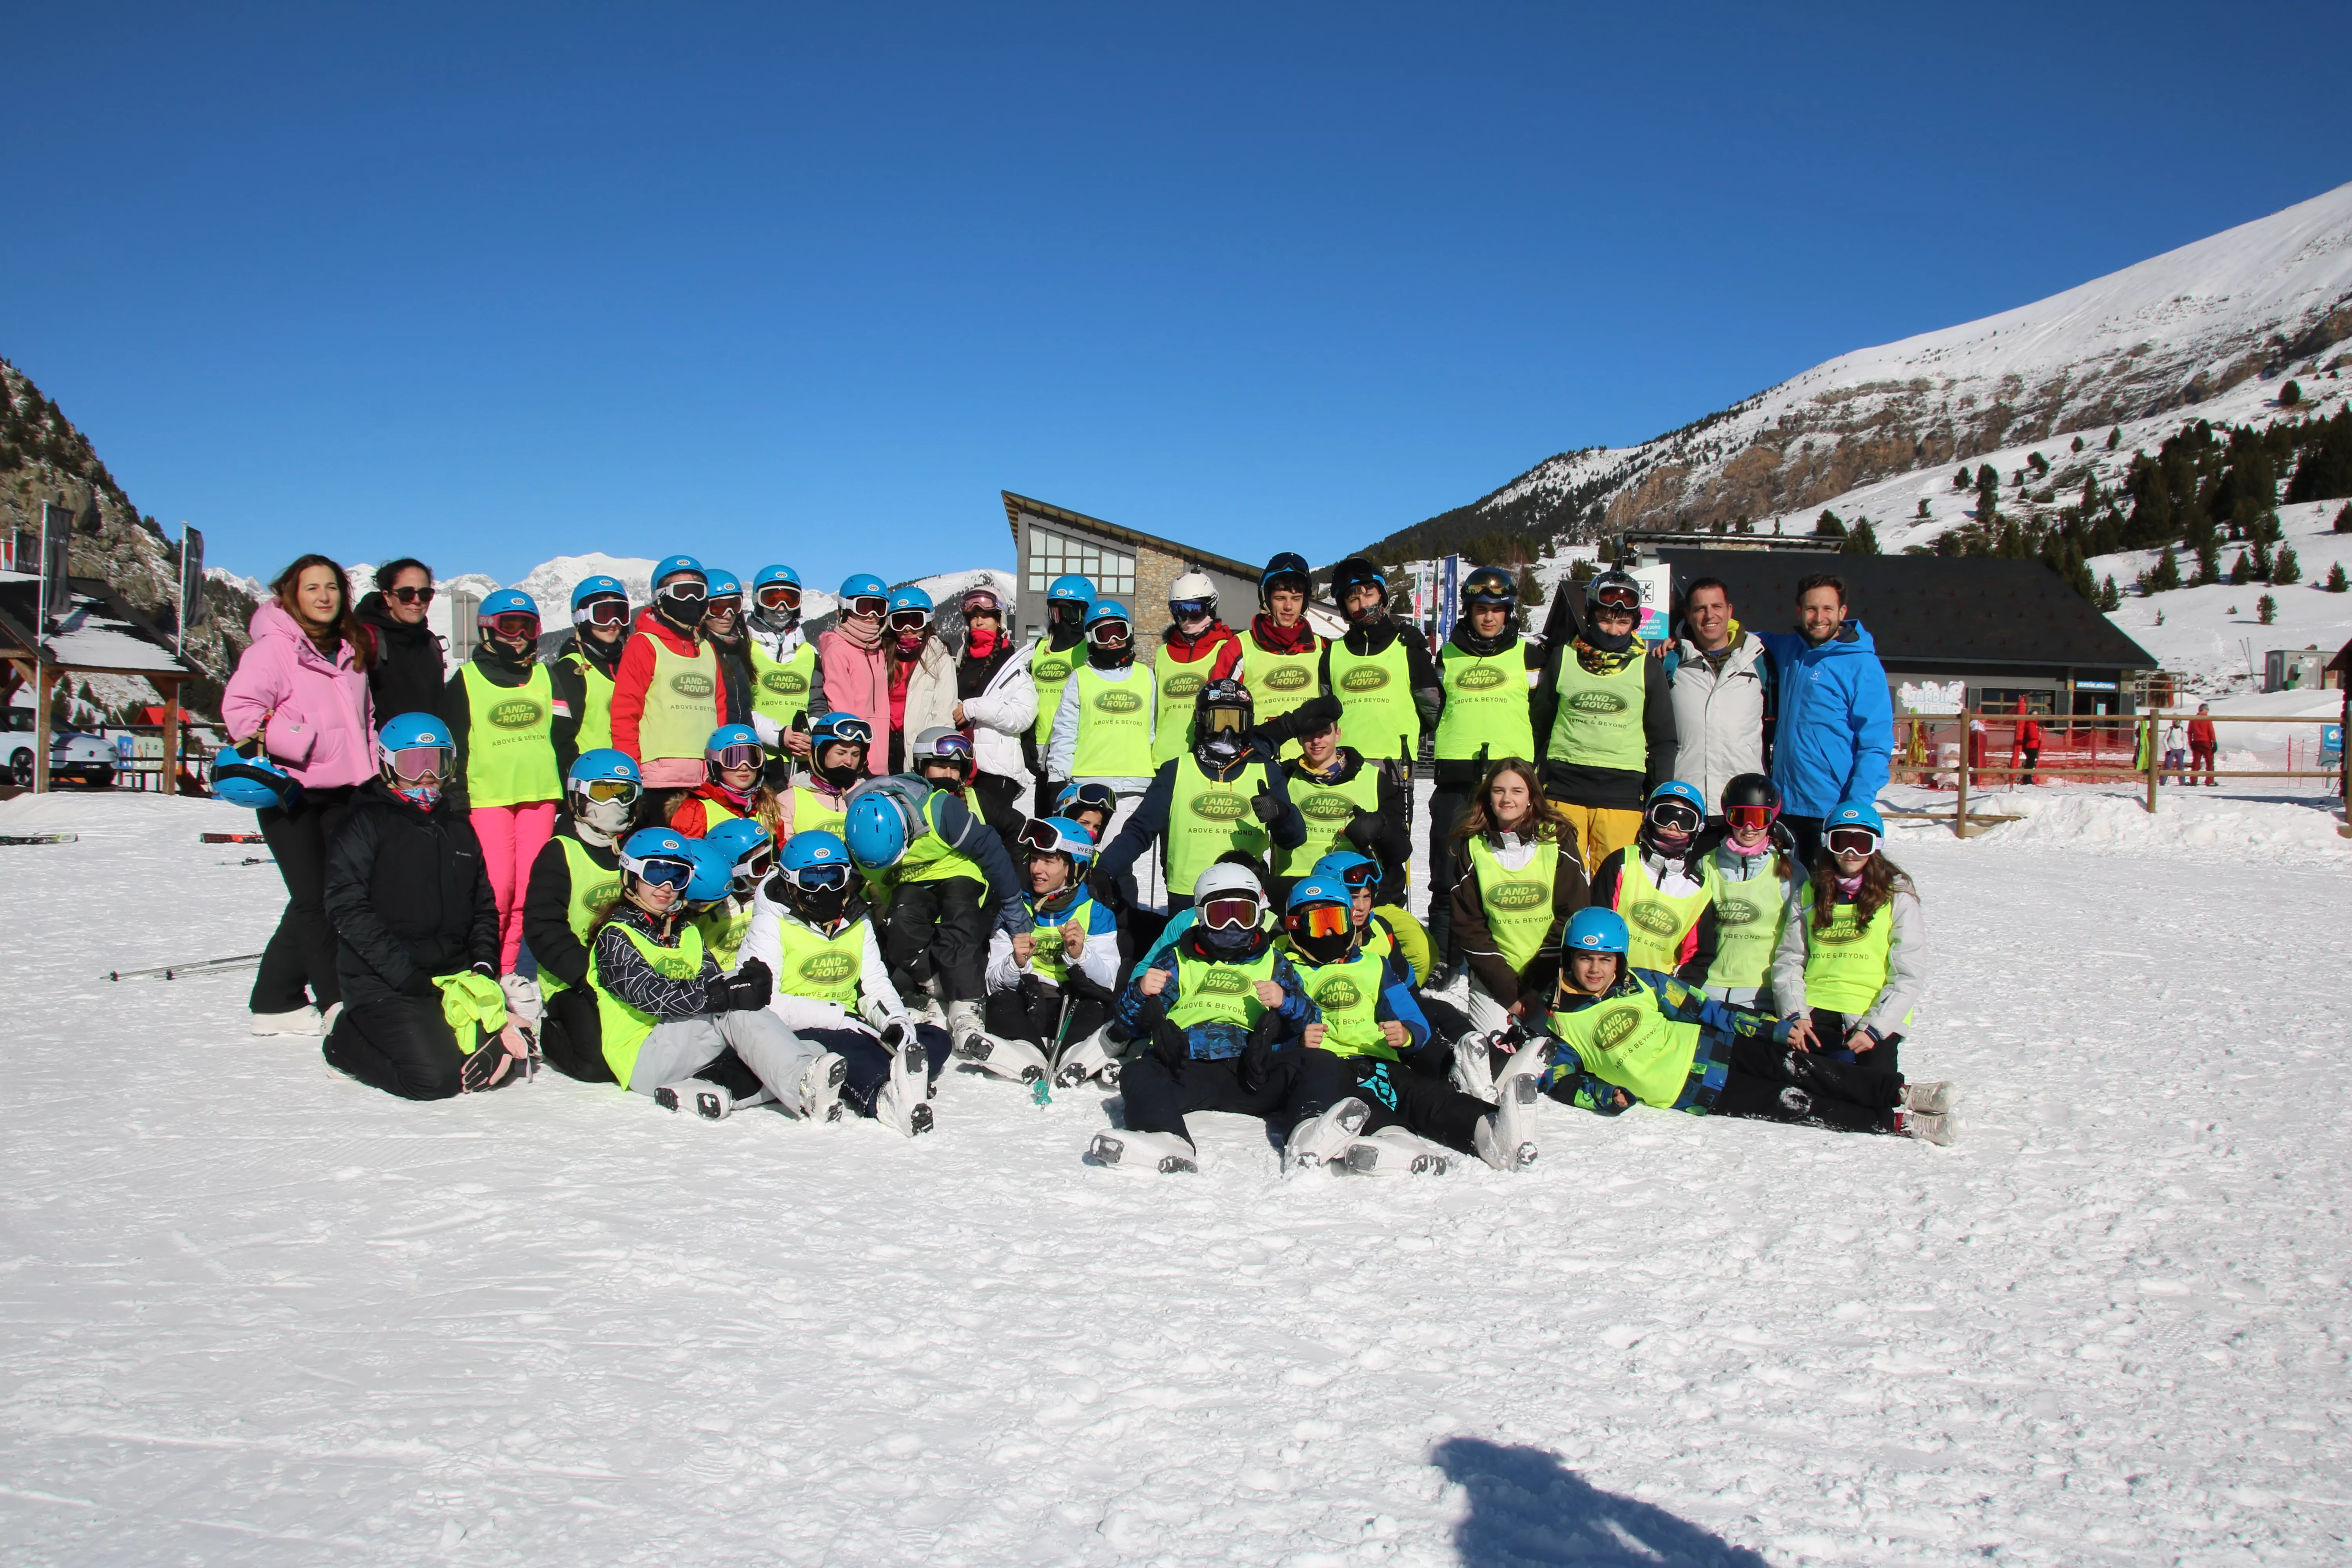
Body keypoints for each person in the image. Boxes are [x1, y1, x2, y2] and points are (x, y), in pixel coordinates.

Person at [1540, 908, 1956, 1144]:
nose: (1596, 969)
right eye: (1585, 958)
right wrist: (1601, 1096)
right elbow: (1560, 1079)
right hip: (1697, 1091)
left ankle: (1903, 1092)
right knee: (1796, 1103)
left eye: (1606, 959)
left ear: (1620, 960)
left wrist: (1773, 1029)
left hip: (1718, 1047)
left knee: (1810, 1070)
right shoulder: (1560, 1021)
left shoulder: (1643, 983)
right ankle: (1903, 1124)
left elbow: (1711, 1010)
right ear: (1570, 959)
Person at [1085, 863, 1358, 1175]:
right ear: (1202, 916)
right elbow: (1127, 1023)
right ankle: (1165, 1137)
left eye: (1242, 915)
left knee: (1321, 1062)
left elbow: (1311, 1020)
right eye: (1220, 915)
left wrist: (1286, 1003)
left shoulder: (1273, 962)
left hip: (1253, 1071)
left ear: (1258, 915)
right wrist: (1141, 993)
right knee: (1138, 1073)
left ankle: (1311, 1130)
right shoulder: (1177, 958)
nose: (1232, 925)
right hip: (1188, 1069)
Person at [320, 713, 527, 1099]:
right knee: (435, 1079)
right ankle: (343, 1042)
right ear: (388, 765)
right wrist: (403, 974)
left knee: (497, 1063)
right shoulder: (365, 822)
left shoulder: (458, 827)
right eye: (413, 765)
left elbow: (483, 906)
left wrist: (483, 965)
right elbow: (346, 906)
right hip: (386, 983)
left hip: (449, 980)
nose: (427, 776)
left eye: (438, 762)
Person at [1280, 877, 1541, 1173]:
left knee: (1427, 1096)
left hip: (1379, 1059)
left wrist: (1406, 1035)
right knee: (1358, 1104)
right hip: (1327, 1066)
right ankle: (1398, 1145)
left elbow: (1416, 1019)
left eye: (1336, 921)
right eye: (1317, 923)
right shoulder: (1286, 970)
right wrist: (1297, 1042)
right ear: (1296, 928)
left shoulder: (1375, 965)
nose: (1328, 933)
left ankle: (1488, 1129)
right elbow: (1268, 1035)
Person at [589, 826, 846, 1125]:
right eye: (656, 873)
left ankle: (713, 1087)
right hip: (643, 1059)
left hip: (682, 1048)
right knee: (735, 1009)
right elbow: (649, 995)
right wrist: (725, 994)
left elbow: (714, 982)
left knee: (807, 1047)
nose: (667, 886)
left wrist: (750, 983)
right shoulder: (615, 936)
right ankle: (803, 1087)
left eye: (679, 876)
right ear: (630, 874)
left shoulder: (685, 932)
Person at [221, 553, 378, 1036]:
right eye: (312, 588)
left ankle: (275, 999)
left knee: (327, 897)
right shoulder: (274, 649)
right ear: (291, 594)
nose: (324, 596)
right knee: (314, 900)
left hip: (347, 791)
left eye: (332, 587)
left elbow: (366, 719)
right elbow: (240, 711)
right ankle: (334, 1004)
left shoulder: (351, 650)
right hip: (291, 793)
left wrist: (372, 773)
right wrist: (303, 739)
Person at [738, 829, 934, 1136]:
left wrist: (895, 1022)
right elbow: (766, 1002)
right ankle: (885, 1099)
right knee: (848, 1045)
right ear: (790, 883)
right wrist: (837, 1017)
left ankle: (895, 1069)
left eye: (834, 877)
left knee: (933, 1039)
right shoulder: (771, 924)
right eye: (812, 880)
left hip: (849, 1021)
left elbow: (874, 983)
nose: (825, 888)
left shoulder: (857, 920)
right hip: (796, 1026)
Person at [842, 766, 1033, 1051]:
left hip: (957, 868)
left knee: (960, 916)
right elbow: (858, 889)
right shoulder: (860, 836)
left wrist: (1012, 904)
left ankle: (966, 1002)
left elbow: (990, 848)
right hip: (908, 881)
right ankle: (939, 989)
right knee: (902, 922)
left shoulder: (940, 810)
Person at [1094, 678, 1306, 920]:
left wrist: (1282, 814)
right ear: (1201, 721)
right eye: (1218, 721)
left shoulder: (1266, 772)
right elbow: (1140, 830)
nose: (1228, 732)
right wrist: (1105, 869)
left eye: (1237, 722)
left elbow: (1294, 839)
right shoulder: (1176, 771)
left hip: (1246, 899)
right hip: (1188, 900)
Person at [438, 587, 560, 978]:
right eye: (511, 626)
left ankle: (507, 970)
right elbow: (453, 742)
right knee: (497, 891)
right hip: (488, 797)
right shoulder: (466, 680)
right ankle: (483, 967)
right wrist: (455, 794)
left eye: (528, 627)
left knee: (528, 891)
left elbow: (565, 736)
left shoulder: (545, 676)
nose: (521, 636)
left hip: (539, 795)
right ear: (488, 630)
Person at [1428, 565, 1541, 988]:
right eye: (1480, 609)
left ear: (1509, 612)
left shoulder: (1531, 656)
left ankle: (1508, 954)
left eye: (1497, 609)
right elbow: (1435, 705)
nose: (1489, 617)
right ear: (1469, 611)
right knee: (1447, 869)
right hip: (1457, 776)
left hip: (1512, 780)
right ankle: (1444, 956)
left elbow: (1544, 712)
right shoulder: (1448, 654)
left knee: (1511, 869)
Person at [1530, 566, 1676, 873]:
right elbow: (1539, 724)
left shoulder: (1648, 668)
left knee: (1613, 884)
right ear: (1591, 616)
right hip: (1563, 790)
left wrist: (1657, 793)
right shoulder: (1562, 657)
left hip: (1621, 795)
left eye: (1623, 622)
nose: (1613, 630)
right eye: (1606, 619)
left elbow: (1663, 739)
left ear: (1634, 622)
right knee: (1559, 879)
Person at [1769, 801, 1926, 1080]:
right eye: (1841, 842)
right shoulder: (1810, 893)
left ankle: (1902, 1100)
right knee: (1805, 1083)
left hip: (1872, 1011)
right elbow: (1790, 960)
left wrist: (1877, 1028)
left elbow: (1908, 972)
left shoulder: (1897, 895)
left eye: (1861, 843)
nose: (1851, 853)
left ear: (1876, 845)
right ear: (1827, 843)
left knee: (1870, 1085)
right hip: (1818, 1009)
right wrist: (1796, 1015)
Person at [973, 815, 1123, 1087]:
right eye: (1034, 859)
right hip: (1030, 1003)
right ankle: (1028, 1057)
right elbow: (993, 982)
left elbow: (1108, 981)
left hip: (1073, 1005)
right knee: (1000, 1004)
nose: (1036, 869)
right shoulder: (1016, 912)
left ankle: (1076, 1058)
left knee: (1099, 1007)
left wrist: (1081, 955)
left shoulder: (1096, 914)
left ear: (1074, 868)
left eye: (1049, 861)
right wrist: (1015, 963)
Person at [1755, 573, 1892, 865]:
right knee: (1785, 898)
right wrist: (1682, 634)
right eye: (1811, 609)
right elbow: (1730, 637)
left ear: (1843, 612)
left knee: (1824, 900)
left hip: (1831, 809)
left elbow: (1876, 744)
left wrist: (1854, 806)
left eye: (1828, 609)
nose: (1819, 618)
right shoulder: (1789, 649)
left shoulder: (1862, 664)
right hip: (1785, 806)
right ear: (1799, 611)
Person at [1447, 757, 1588, 1039]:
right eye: (1499, 791)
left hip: (1552, 975)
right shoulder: (1473, 846)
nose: (1507, 799)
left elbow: (1573, 915)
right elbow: (1469, 927)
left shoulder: (1557, 840)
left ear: (1532, 798)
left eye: (1517, 791)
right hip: (1496, 977)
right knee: (1492, 1054)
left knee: (1548, 1054)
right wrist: (1511, 993)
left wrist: (1536, 986)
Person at [523, 749, 641, 1083]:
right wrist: (586, 975)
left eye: (625, 793)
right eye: (605, 792)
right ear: (580, 796)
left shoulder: (635, 851)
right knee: (596, 1065)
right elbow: (543, 928)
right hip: (572, 980)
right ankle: (549, 1032)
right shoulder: (560, 852)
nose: (616, 803)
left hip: (629, 973)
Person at [1319, 557, 1442, 840]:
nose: (1364, 604)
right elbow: (1325, 713)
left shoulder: (1407, 646)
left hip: (1395, 766)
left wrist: (1410, 732)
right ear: (1344, 608)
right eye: (1354, 599)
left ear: (1382, 597)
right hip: (1344, 766)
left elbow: (1435, 709)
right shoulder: (1333, 654)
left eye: (1369, 594)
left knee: (1391, 851)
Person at [1046, 599, 1160, 898]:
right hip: (1088, 784)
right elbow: (1065, 731)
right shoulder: (1080, 678)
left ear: (1130, 633)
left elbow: (1153, 731)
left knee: (1119, 863)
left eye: (1119, 632)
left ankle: (1123, 928)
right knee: (1079, 861)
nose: (1112, 641)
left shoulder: (1146, 677)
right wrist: (1058, 778)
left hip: (1134, 786)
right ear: (1090, 639)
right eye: (1103, 634)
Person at [611, 555, 731, 791]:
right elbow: (625, 712)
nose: (691, 600)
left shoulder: (707, 649)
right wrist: (630, 771)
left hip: (707, 777)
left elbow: (720, 711)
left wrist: (721, 766)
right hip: (659, 777)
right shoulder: (645, 644)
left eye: (698, 592)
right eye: (682, 591)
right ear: (661, 597)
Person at [1586, 780, 1718, 986]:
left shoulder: (1698, 889)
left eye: (1685, 821)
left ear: (1698, 829)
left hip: (1660, 993)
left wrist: (1672, 994)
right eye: (1665, 817)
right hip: (1607, 985)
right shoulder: (1622, 862)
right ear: (1650, 817)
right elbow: (1595, 923)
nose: (1673, 827)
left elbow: (1697, 956)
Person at [1664, 576, 1772, 815]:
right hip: (1686, 801)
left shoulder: (1759, 660)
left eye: (1717, 606)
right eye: (1701, 608)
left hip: (1745, 803)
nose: (1709, 615)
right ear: (1689, 615)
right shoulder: (1671, 662)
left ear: (1730, 610)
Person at [1274, 708, 1410, 892]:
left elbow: (1400, 852)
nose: (1316, 741)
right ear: (1299, 738)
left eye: (1324, 733)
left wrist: (1381, 829)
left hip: (1357, 888)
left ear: (1338, 735)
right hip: (1295, 886)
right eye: (1309, 734)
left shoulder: (1375, 779)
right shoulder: (1283, 776)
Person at [947, 581, 1037, 847]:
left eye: (986, 615)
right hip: (959, 762)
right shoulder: (960, 662)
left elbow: (1022, 716)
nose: (978, 621)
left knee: (989, 839)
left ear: (1000, 621)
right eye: (973, 617)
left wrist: (974, 707)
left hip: (995, 770)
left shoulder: (1015, 668)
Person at [1699, 773, 1798, 1010]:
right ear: (1727, 816)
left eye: (1759, 818)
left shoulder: (1788, 871)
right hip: (1709, 990)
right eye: (1740, 817)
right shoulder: (1707, 864)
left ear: (1772, 818)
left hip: (1761, 992)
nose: (1749, 827)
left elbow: (1797, 940)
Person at [1151, 572, 1245, 769]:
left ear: (1210, 606)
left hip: (1208, 758)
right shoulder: (1163, 654)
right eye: (1179, 610)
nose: (1187, 617)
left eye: (1194, 609)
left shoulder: (1228, 650)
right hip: (1163, 759)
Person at [1240, 552, 1326, 758]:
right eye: (1280, 598)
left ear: (1304, 602)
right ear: (1267, 599)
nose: (1289, 607)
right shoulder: (1241, 646)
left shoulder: (1322, 647)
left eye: (1296, 599)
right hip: (1259, 762)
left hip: (1310, 764)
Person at [1024, 573, 1095, 813]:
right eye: (1057, 612)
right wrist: (1027, 737)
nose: (1063, 620)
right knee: (1045, 821)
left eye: (1071, 613)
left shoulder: (1090, 650)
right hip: (1042, 747)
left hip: (1075, 750)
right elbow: (1025, 693)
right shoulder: (1039, 648)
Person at [811, 572, 891, 779]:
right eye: (864, 607)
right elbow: (841, 710)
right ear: (846, 609)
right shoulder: (838, 651)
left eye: (879, 607)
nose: (872, 615)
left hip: (880, 759)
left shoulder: (878, 650)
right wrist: (855, 756)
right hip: (855, 759)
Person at [550, 575, 630, 775]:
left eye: (620, 614)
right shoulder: (571, 669)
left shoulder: (628, 665)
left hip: (629, 773)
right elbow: (561, 736)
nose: (613, 623)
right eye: (603, 615)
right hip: (590, 777)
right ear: (583, 618)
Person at [742, 564, 817, 770]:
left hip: (800, 760)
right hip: (754, 758)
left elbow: (818, 704)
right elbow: (739, 706)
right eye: (772, 600)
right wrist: (777, 734)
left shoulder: (809, 653)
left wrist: (807, 735)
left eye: (790, 600)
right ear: (757, 600)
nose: (781, 607)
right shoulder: (744, 649)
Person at [356, 559, 446, 721]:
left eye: (425, 594)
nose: (417, 601)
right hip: (380, 744)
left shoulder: (431, 643)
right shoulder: (366, 640)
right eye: (407, 594)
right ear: (388, 597)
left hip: (430, 743)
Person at [889, 584, 960, 776]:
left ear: (927, 621)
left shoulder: (939, 659)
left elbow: (944, 715)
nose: (908, 629)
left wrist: (933, 758)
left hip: (917, 749)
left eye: (915, 621)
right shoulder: (881, 657)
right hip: (885, 746)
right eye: (900, 621)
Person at [778, 711, 872, 849]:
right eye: (840, 753)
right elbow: (785, 853)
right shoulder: (789, 800)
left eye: (856, 754)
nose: (848, 761)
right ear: (820, 753)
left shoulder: (869, 798)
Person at [669, 723, 780, 837]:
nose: (744, 767)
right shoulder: (696, 809)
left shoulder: (768, 805)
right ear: (715, 765)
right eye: (732, 759)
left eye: (752, 759)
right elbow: (688, 852)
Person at [695, 817, 776, 973]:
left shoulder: (778, 896)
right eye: (760, 865)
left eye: (770, 859)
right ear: (735, 870)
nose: (770, 870)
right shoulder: (700, 907)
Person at [699, 568, 757, 734]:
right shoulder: (698, 652)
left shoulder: (738, 649)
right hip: (712, 744)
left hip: (740, 743)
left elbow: (745, 708)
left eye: (734, 606)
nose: (728, 615)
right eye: (718, 608)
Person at [2188, 703, 2218, 786]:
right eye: (2207, 709)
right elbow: (2211, 731)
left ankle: (2194, 780)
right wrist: (2214, 742)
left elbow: (2190, 732)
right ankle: (2210, 780)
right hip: (2206, 742)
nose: (2208, 711)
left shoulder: (2193, 719)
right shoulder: (2207, 719)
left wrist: (2190, 742)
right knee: (2209, 762)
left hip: (2196, 742)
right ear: (2204, 710)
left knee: (2196, 762)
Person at [2016, 701, 2044, 786]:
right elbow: (2033, 736)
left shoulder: (2031, 724)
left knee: (2031, 763)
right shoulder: (2031, 724)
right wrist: (2039, 735)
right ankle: (2027, 780)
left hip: (2032, 745)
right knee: (2030, 763)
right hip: (2031, 746)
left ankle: (2028, 779)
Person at [2161, 714, 2189, 785]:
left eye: (2179, 721)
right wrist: (2168, 750)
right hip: (2171, 749)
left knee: (2181, 766)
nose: (2178, 723)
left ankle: (2182, 783)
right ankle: (2163, 782)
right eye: (2176, 721)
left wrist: (2184, 748)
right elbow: (2164, 739)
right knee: (2168, 765)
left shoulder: (2182, 729)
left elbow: (2184, 739)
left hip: (2180, 749)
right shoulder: (2170, 729)